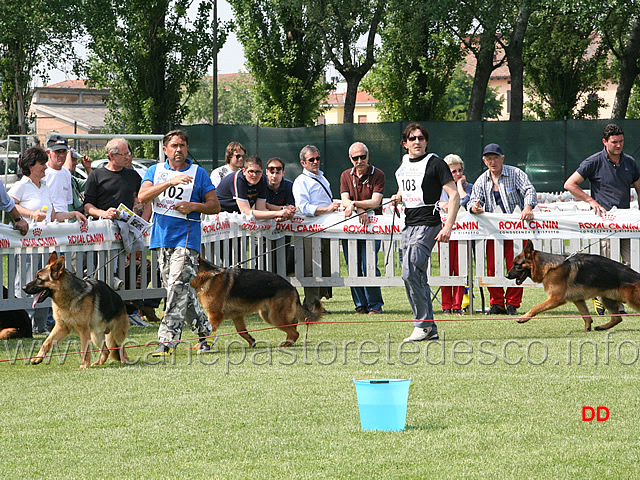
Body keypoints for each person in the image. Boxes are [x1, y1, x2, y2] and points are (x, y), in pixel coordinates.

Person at [138, 129, 220, 357]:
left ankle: (166, 341)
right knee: (180, 291)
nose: (178, 150)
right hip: (161, 240)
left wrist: (194, 206)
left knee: (176, 287)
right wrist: (169, 182)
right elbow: (143, 196)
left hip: (187, 240)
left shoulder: (199, 173)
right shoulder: (155, 171)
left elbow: (215, 206)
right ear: (165, 150)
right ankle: (205, 333)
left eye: (182, 145)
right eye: (174, 146)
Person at [391, 123, 460, 342]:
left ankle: (422, 324)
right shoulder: (403, 164)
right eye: (412, 139)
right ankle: (429, 327)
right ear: (405, 144)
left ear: (426, 141)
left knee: (411, 271)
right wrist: (398, 195)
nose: (417, 142)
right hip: (409, 224)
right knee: (411, 274)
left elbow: (454, 195)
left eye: (421, 138)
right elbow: (407, 185)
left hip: (429, 223)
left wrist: (448, 226)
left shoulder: (436, 163)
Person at [563, 123, 640, 315]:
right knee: (607, 266)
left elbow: (639, 187)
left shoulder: (630, 162)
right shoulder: (593, 161)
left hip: (627, 223)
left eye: (621, 141)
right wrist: (591, 201)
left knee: (632, 264)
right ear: (604, 142)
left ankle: (623, 301)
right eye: (614, 142)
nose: (619, 145)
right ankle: (605, 302)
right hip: (604, 223)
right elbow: (570, 184)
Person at [9, 146, 87, 334]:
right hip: (26, 245)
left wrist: (73, 213)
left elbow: (53, 215)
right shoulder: (21, 185)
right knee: (27, 282)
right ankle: (25, 323)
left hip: (46, 244)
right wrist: (31, 214)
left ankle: (40, 326)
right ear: (30, 166)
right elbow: (11, 205)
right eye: (42, 164)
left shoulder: (45, 186)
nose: (45, 167)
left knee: (46, 284)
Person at [83, 138, 155, 322]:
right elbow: (87, 206)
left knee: (143, 267)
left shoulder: (132, 176)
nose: (128, 157)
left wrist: (143, 221)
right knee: (104, 275)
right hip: (101, 237)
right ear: (111, 155)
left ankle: (130, 308)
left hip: (128, 234)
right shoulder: (96, 176)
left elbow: (147, 199)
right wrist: (103, 213)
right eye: (124, 154)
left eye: (129, 153)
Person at [468, 143, 537, 315]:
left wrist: (528, 207)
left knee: (518, 266)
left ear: (502, 158)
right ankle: (496, 303)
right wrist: (474, 208)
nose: (493, 162)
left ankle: (513, 303)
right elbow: (473, 200)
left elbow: (529, 190)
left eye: (496, 158)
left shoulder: (515, 173)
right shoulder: (482, 180)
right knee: (492, 267)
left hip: (517, 229)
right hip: (493, 232)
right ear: (485, 161)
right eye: (489, 159)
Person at [292, 145, 341, 309]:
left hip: (327, 227)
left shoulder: (322, 178)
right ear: (303, 162)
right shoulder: (301, 181)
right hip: (310, 229)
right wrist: (326, 209)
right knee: (311, 267)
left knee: (326, 266)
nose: (315, 162)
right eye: (311, 159)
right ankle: (310, 303)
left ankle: (317, 302)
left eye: (317, 158)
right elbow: (303, 207)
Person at [339, 141, 385, 315]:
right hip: (351, 227)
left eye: (362, 157)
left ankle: (375, 305)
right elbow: (344, 200)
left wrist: (356, 205)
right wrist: (358, 209)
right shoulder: (345, 175)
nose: (359, 161)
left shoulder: (378, 174)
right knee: (353, 265)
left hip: (372, 227)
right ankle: (360, 304)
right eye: (355, 158)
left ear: (368, 156)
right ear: (350, 159)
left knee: (370, 264)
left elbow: (375, 202)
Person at [437, 154, 473, 314]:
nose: (457, 174)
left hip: (463, 234)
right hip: (444, 233)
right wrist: (440, 203)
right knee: (446, 268)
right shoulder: (438, 188)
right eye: (453, 172)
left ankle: (458, 305)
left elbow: (465, 201)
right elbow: (433, 203)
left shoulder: (469, 187)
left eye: (460, 170)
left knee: (460, 270)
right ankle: (446, 305)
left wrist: (459, 184)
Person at [216, 154, 295, 221]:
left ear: (262, 171)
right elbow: (246, 212)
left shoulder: (263, 179)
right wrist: (277, 213)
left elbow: (261, 209)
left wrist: (277, 216)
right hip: (219, 217)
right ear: (244, 171)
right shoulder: (238, 179)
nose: (254, 175)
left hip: (237, 219)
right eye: (251, 171)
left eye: (257, 172)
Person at [44, 134, 73, 214]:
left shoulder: (66, 173)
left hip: (64, 219)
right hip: (47, 218)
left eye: (64, 152)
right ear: (48, 153)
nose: (62, 155)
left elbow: (67, 201)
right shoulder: (43, 172)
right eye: (57, 152)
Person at [65, 148, 93, 212]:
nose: (76, 163)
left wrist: (88, 168)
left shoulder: (73, 180)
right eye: (73, 160)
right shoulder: (58, 177)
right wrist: (68, 151)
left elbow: (91, 183)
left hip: (76, 220)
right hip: (65, 220)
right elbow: (67, 169)